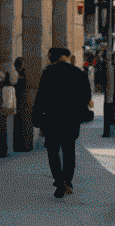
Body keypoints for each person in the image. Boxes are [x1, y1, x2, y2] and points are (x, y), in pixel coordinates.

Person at [30, 46, 93, 198]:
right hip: (71, 119)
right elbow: (86, 97)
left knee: (52, 151)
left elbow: (41, 97)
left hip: (52, 118)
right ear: (66, 57)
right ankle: (68, 181)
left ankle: (59, 181)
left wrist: (36, 116)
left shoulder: (48, 72)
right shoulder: (78, 73)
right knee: (69, 150)